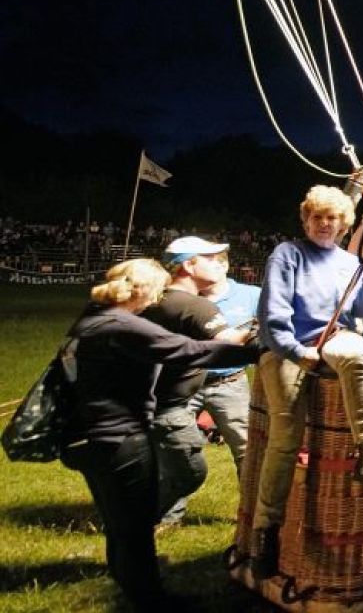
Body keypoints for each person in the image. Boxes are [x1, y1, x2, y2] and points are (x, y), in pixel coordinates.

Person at [60, 259, 260, 610]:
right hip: (121, 437)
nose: (158, 298)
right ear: (142, 288)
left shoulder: (93, 318)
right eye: (157, 289)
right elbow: (190, 351)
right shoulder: (124, 325)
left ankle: (127, 579)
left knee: (118, 519)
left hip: (88, 434)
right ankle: (152, 599)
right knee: (136, 525)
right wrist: (256, 350)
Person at [250, 185, 363, 580]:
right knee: (284, 436)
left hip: (333, 337)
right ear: (306, 220)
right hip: (287, 344)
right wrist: (295, 351)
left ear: (344, 224)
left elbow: (362, 308)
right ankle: (266, 529)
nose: (324, 224)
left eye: (332, 218)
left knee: (357, 353)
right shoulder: (288, 254)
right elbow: (273, 310)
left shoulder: (349, 262)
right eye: (317, 217)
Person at [142, 236, 234, 530]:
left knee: (156, 467)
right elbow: (230, 346)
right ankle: (136, 520)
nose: (219, 265)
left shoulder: (155, 300)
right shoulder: (196, 307)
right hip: (170, 408)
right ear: (189, 264)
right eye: (210, 259)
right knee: (189, 473)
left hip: (142, 402)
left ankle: (137, 522)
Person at [195, 247, 261, 476]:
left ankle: (250, 510)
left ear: (224, 265)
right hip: (186, 382)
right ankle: (169, 512)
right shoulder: (185, 297)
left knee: (247, 450)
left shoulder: (252, 295)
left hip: (230, 382)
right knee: (173, 448)